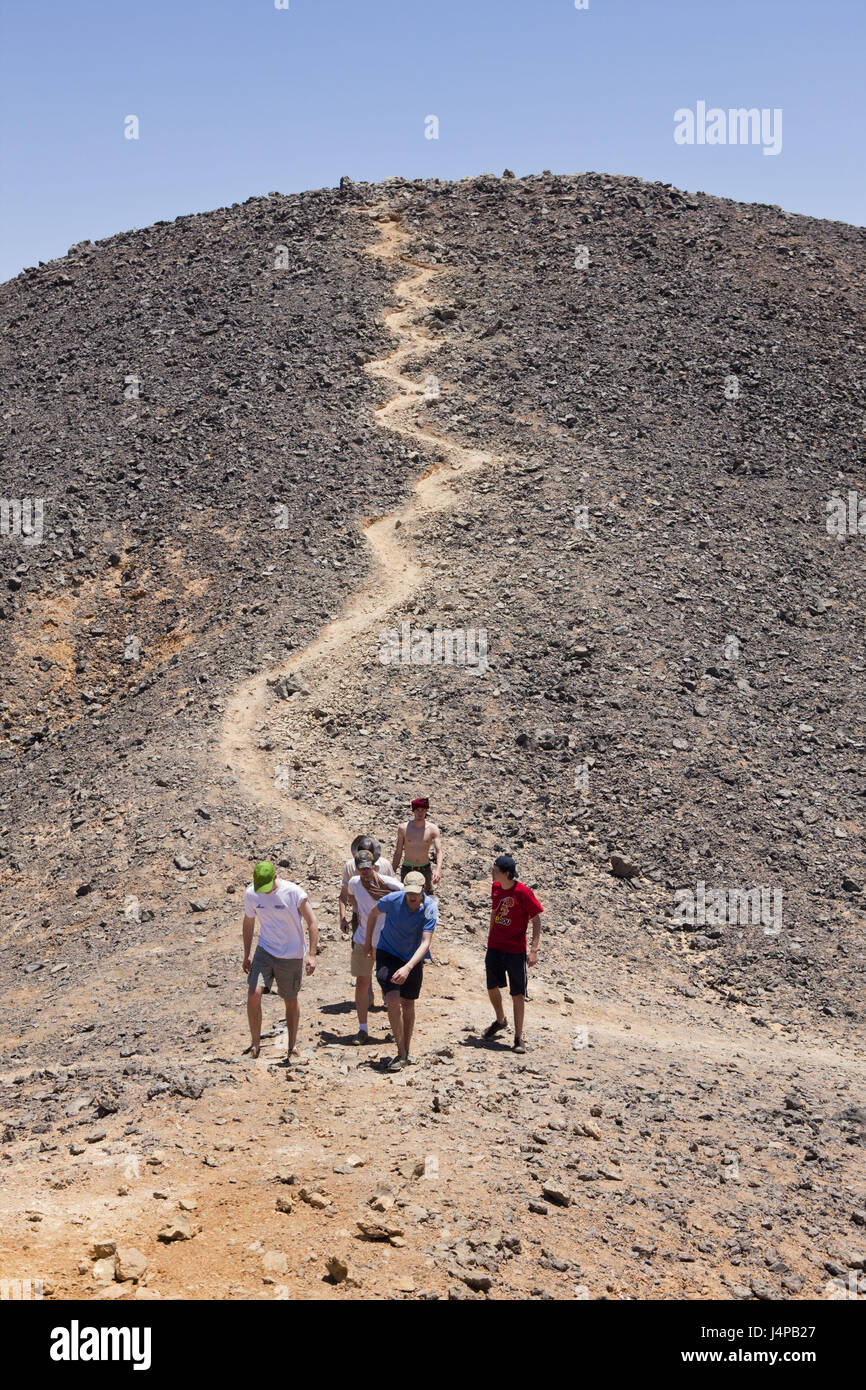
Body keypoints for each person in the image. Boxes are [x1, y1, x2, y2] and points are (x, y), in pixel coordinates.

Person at [242, 859, 318, 1063]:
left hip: (291, 954)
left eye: (268, 887)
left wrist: (311, 954)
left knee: (290, 999)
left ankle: (292, 1047)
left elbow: (312, 922)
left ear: (276, 877)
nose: (264, 892)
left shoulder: (293, 892)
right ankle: (255, 1044)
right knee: (253, 993)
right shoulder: (252, 893)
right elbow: (249, 922)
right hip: (265, 950)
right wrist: (246, 953)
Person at [366, 871, 437, 1072]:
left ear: (423, 889)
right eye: (408, 892)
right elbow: (373, 913)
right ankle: (401, 1052)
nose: (412, 896)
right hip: (387, 952)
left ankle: (406, 1048)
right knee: (393, 999)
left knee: (408, 1004)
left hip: (412, 958)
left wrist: (408, 967)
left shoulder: (431, 908)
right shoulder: (392, 899)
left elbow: (426, 943)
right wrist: (367, 942)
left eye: (416, 892)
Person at [483, 854, 543, 1055]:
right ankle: (500, 1020)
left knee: (516, 993)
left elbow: (536, 919)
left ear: (507, 874)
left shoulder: (523, 892)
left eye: (495, 870)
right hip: (495, 946)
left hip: (516, 950)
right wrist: (490, 935)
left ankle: (518, 1037)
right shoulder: (496, 888)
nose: (491, 872)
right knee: (492, 986)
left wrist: (533, 950)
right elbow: (494, 911)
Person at [345, 850, 402, 1043]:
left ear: (374, 866)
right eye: (361, 869)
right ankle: (362, 1029)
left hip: (387, 942)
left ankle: (397, 1029)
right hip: (363, 939)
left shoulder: (390, 884)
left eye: (368, 868)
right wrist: (357, 912)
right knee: (362, 983)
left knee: (391, 987)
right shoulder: (354, 883)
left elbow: (409, 895)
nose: (365, 872)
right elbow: (350, 896)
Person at [339, 834, 391, 936]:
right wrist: (342, 919)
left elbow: (394, 894)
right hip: (359, 917)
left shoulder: (385, 866)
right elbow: (343, 896)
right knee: (359, 949)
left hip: (381, 916)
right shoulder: (350, 867)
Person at [392, 796, 443, 893]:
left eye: (422, 810)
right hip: (408, 868)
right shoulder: (403, 828)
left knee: (426, 897)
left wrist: (438, 870)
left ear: (426, 811)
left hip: (424, 868)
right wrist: (392, 871)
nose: (420, 813)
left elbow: (439, 851)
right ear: (413, 811)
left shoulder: (433, 829)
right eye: (417, 810)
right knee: (407, 897)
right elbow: (398, 852)